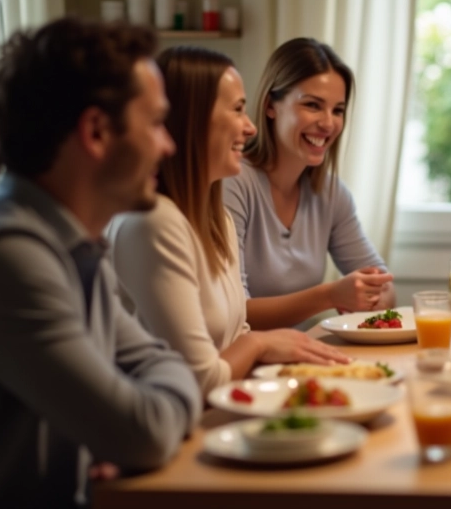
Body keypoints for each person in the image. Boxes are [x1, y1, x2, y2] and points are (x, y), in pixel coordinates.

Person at [0, 18, 202, 508]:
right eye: (157, 122)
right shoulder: (10, 258)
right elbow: (142, 433)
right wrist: (127, 432)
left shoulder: (74, 246)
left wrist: (124, 430)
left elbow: (161, 364)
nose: (170, 145)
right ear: (96, 132)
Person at [108, 46, 349, 397]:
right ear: (192, 119)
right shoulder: (153, 224)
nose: (250, 128)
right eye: (237, 110)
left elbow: (237, 334)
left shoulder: (217, 217)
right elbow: (199, 381)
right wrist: (261, 344)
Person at [222, 38, 394, 330]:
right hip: (247, 362)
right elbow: (235, 312)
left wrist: (371, 296)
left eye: (338, 110)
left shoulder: (332, 193)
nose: (328, 124)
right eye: (313, 105)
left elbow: (386, 288)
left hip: (302, 356)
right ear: (270, 106)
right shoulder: (233, 183)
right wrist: (330, 295)